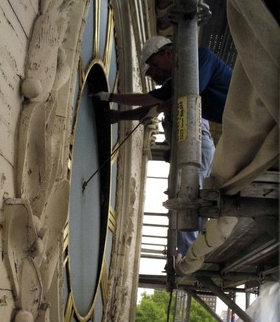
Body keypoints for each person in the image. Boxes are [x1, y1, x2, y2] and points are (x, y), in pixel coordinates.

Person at [93, 36, 233, 256]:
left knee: (190, 196)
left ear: (167, 53)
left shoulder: (200, 59)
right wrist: (118, 111)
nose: (157, 71)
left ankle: (190, 253)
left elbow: (173, 99)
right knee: (184, 194)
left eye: (155, 65)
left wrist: (116, 100)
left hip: (201, 144)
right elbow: (150, 102)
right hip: (192, 144)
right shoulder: (178, 81)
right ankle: (187, 251)